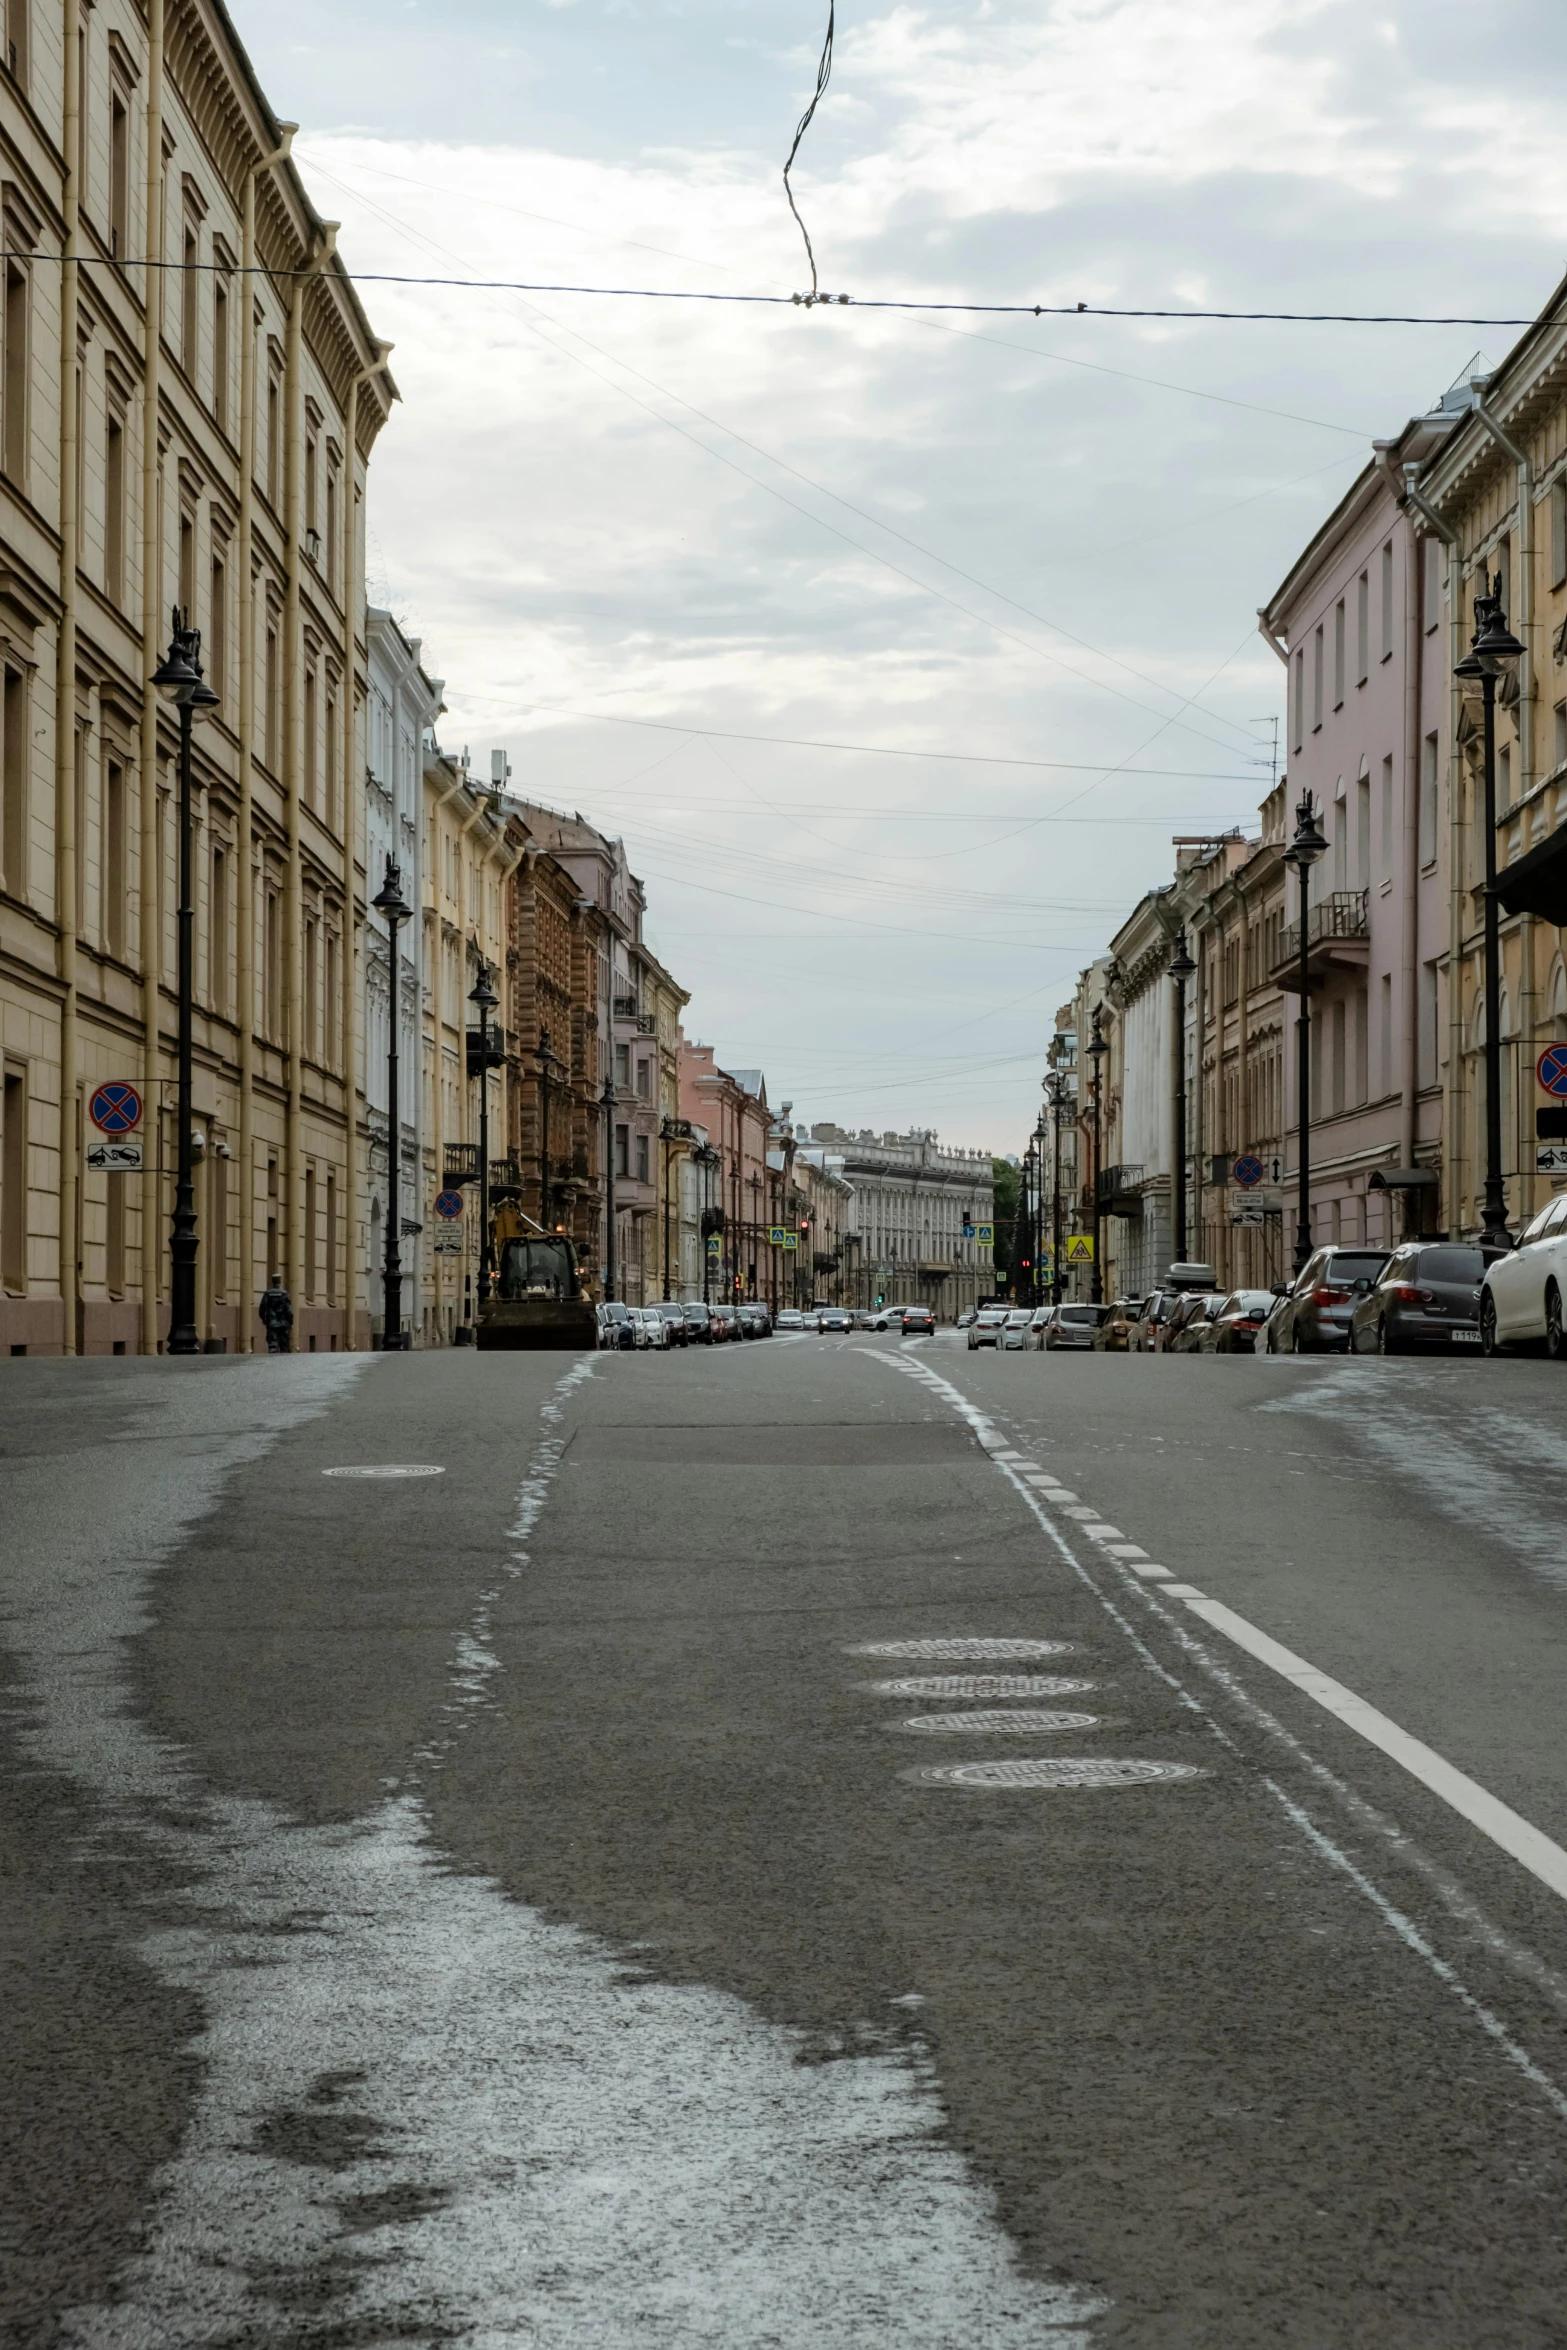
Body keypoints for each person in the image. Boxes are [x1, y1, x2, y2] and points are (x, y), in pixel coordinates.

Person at [258, 1276, 293, 1354]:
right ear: (280, 1282)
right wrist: (291, 1322)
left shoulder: (267, 1294)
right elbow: (289, 1310)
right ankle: (283, 1364)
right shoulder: (284, 1294)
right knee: (284, 1346)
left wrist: (264, 1319)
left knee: (272, 1345)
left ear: (272, 1281)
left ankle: (273, 1363)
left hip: (271, 1323)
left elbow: (262, 1308)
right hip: (284, 1324)